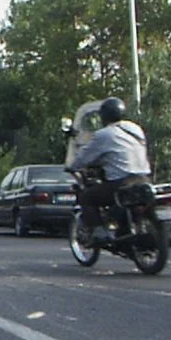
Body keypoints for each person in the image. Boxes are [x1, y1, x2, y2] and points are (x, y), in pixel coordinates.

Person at [69, 96, 152, 240]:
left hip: (123, 183)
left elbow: (84, 158)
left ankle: (99, 232)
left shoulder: (104, 134)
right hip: (144, 179)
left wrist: (72, 166)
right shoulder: (135, 129)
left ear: (104, 116)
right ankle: (125, 228)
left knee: (86, 197)